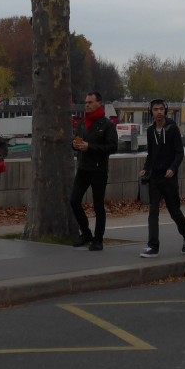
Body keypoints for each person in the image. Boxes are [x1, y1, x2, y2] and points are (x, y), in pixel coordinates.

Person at [138, 99, 185, 257]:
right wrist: (146, 168)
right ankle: (153, 246)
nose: (159, 112)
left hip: (169, 177)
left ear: (165, 110)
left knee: (174, 211)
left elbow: (179, 152)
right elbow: (151, 154)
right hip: (155, 177)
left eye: (161, 109)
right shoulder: (150, 131)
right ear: (152, 112)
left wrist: (172, 168)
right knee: (153, 211)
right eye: (155, 109)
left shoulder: (172, 128)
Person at [70, 90, 118, 251]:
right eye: (86, 103)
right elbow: (76, 140)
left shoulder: (107, 125)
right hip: (83, 168)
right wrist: (74, 145)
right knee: (74, 201)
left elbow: (112, 147)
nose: (87, 105)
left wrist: (90, 147)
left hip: (98, 170)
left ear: (99, 104)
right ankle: (86, 233)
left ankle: (98, 239)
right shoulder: (83, 123)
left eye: (90, 102)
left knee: (98, 206)